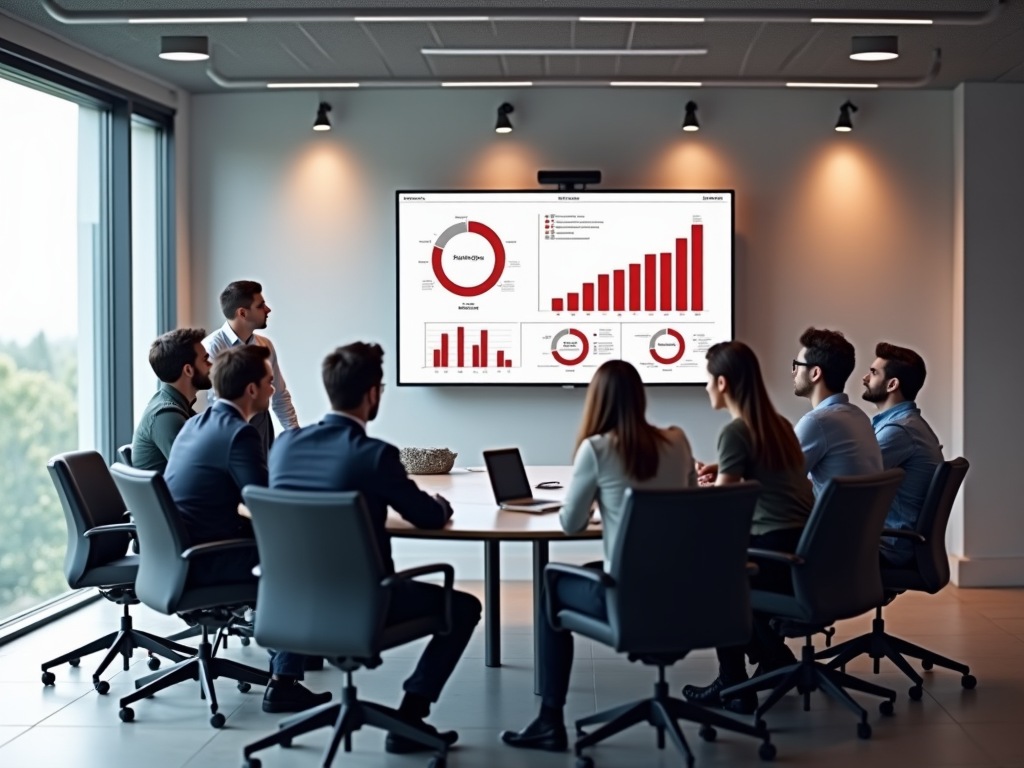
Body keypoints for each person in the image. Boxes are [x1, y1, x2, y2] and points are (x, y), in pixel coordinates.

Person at [268, 342, 481, 755]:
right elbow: (429, 517)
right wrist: (441, 503)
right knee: (464, 607)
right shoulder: (373, 455)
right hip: (363, 607)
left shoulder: (284, 447)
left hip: (288, 603)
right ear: (372, 394)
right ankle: (411, 716)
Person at [501, 360, 698, 753]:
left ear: (597, 401)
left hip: (627, 598)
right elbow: (690, 502)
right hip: (681, 595)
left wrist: (594, 505)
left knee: (551, 584)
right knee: (590, 572)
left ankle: (549, 720)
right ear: (640, 397)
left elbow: (571, 524)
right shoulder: (677, 441)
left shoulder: (598, 448)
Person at [164, 345, 329, 715]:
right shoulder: (240, 433)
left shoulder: (196, 423)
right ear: (252, 389)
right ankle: (285, 681)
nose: (274, 390)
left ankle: (300, 654)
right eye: (269, 383)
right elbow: (264, 506)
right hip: (209, 558)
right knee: (301, 562)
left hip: (182, 555)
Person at [683, 341, 814, 714]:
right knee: (728, 569)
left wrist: (690, 486)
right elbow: (769, 483)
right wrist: (723, 471)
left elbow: (723, 510)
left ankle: (734, 683)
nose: (706, 387)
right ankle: (774, 658)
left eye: (708, 380)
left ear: (722, 383)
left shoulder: (736, 432)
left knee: (713, 577)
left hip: (773, 554)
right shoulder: (779, 426)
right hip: (801, 549)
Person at [862, 342, 943, 567]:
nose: (865, 378)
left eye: (873, 372)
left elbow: (851, 477)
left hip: (888, 549)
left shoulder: (900, 431)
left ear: (892, 384)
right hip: (894, 543)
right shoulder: (908, 425)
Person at [203, 280, 297, 455]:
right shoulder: (211, 348)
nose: (268, 309)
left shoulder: (265, 345)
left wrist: (295, 435)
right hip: (227, 435)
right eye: (261, 305)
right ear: (242, 313)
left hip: (262, 426)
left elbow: (279, 395)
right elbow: (214, 403)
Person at [792, 327, 882, 495]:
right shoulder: (859, 416)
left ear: (815, 373)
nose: (793, 372)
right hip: (860, 520)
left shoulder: (816, 422)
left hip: (829, 521)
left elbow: (781, 484)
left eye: (797, 365)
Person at [132, 328, 212, 473]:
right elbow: (196, 472)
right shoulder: (166, 416)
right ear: (188, 370)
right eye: (205, 360)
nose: (210, 365)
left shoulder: (178, 407)